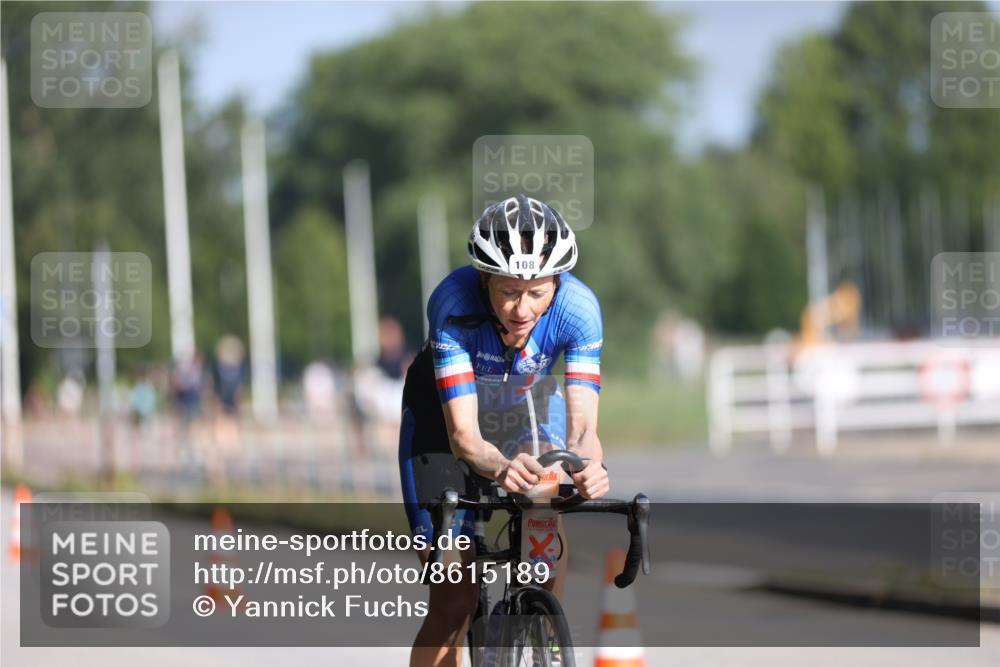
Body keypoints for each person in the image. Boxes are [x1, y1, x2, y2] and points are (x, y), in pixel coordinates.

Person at [398, 194, 609, 667]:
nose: (521, 308)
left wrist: (589, 466)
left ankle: (541, 632)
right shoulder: (453, 304)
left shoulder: (579, 309)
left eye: (537, 291)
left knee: (547, 499)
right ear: (484, 279)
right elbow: (464, 438)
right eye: (508, 290)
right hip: (443, 421)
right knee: (456, 599)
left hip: (524, 403)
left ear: (559, 281)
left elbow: (582, 427)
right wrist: (499, 466)